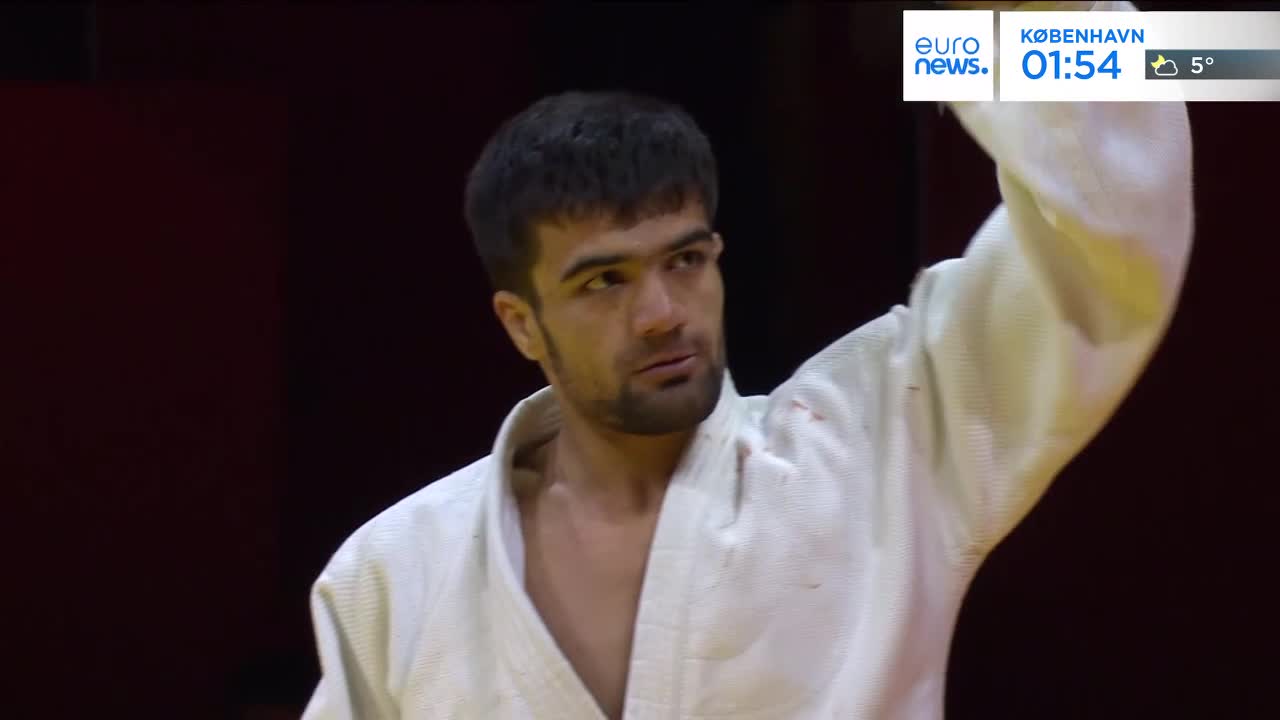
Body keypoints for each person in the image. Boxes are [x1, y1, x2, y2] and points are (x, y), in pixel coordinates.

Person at [301, 1, 1192, 717]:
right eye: (603, 281)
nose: (660, 314)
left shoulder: (878, 448)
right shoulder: (395, 575)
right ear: (520, 322)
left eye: (684, 261)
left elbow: (1111, 231)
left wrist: (974, 26)